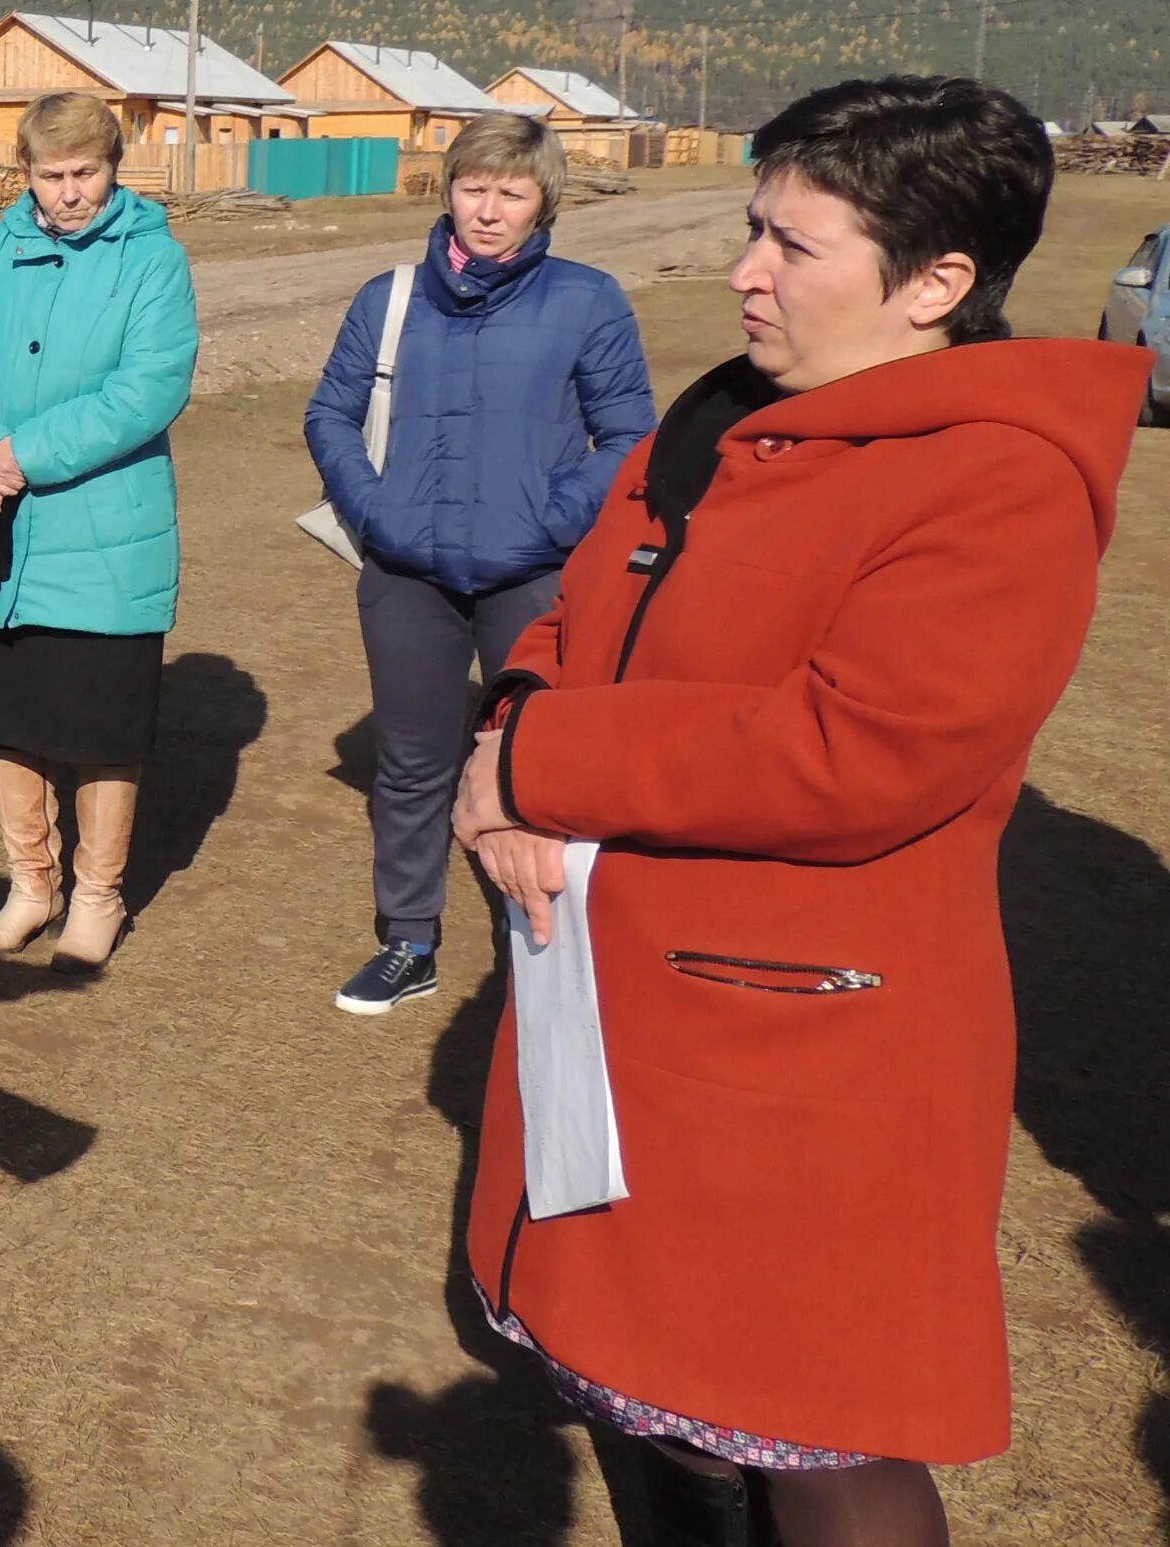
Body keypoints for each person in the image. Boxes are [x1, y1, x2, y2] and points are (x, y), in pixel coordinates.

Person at [452, 77, 1146, 1547]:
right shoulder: (721, 418)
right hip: (616, 1006)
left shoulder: (997, 479)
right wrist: (513, 722)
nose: (744, 271)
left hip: (802, 1037)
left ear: (938, 283)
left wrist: (539, 764)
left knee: (817, 1432)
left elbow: (859, 749)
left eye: (793, 245)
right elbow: (568, 620)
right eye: (751, 229)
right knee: (653, 1402)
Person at [303, 113, 653, 1017]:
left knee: (540, 764)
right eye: (473, 188)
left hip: (530, 576)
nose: (488, 210)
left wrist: (551, 521)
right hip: (406, 574)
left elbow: (628, 436)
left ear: (544, 203)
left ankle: (544, 948)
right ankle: (408, 941)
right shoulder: (389, 297)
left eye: (511, 192)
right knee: (414, 761)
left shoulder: (588, 300)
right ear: (447, 187)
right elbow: (330, 416)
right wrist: (376, 513)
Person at [0, 90, 197, 972]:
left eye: (87, 173)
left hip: (100, 534)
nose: (70, 193)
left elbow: (149, 388)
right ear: (27, 173)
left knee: (99, 729)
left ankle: (97, 897)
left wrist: (22, 455)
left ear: (114, 169)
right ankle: (29, 886)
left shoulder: (154, 262)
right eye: (52, 176)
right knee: (12, 719)